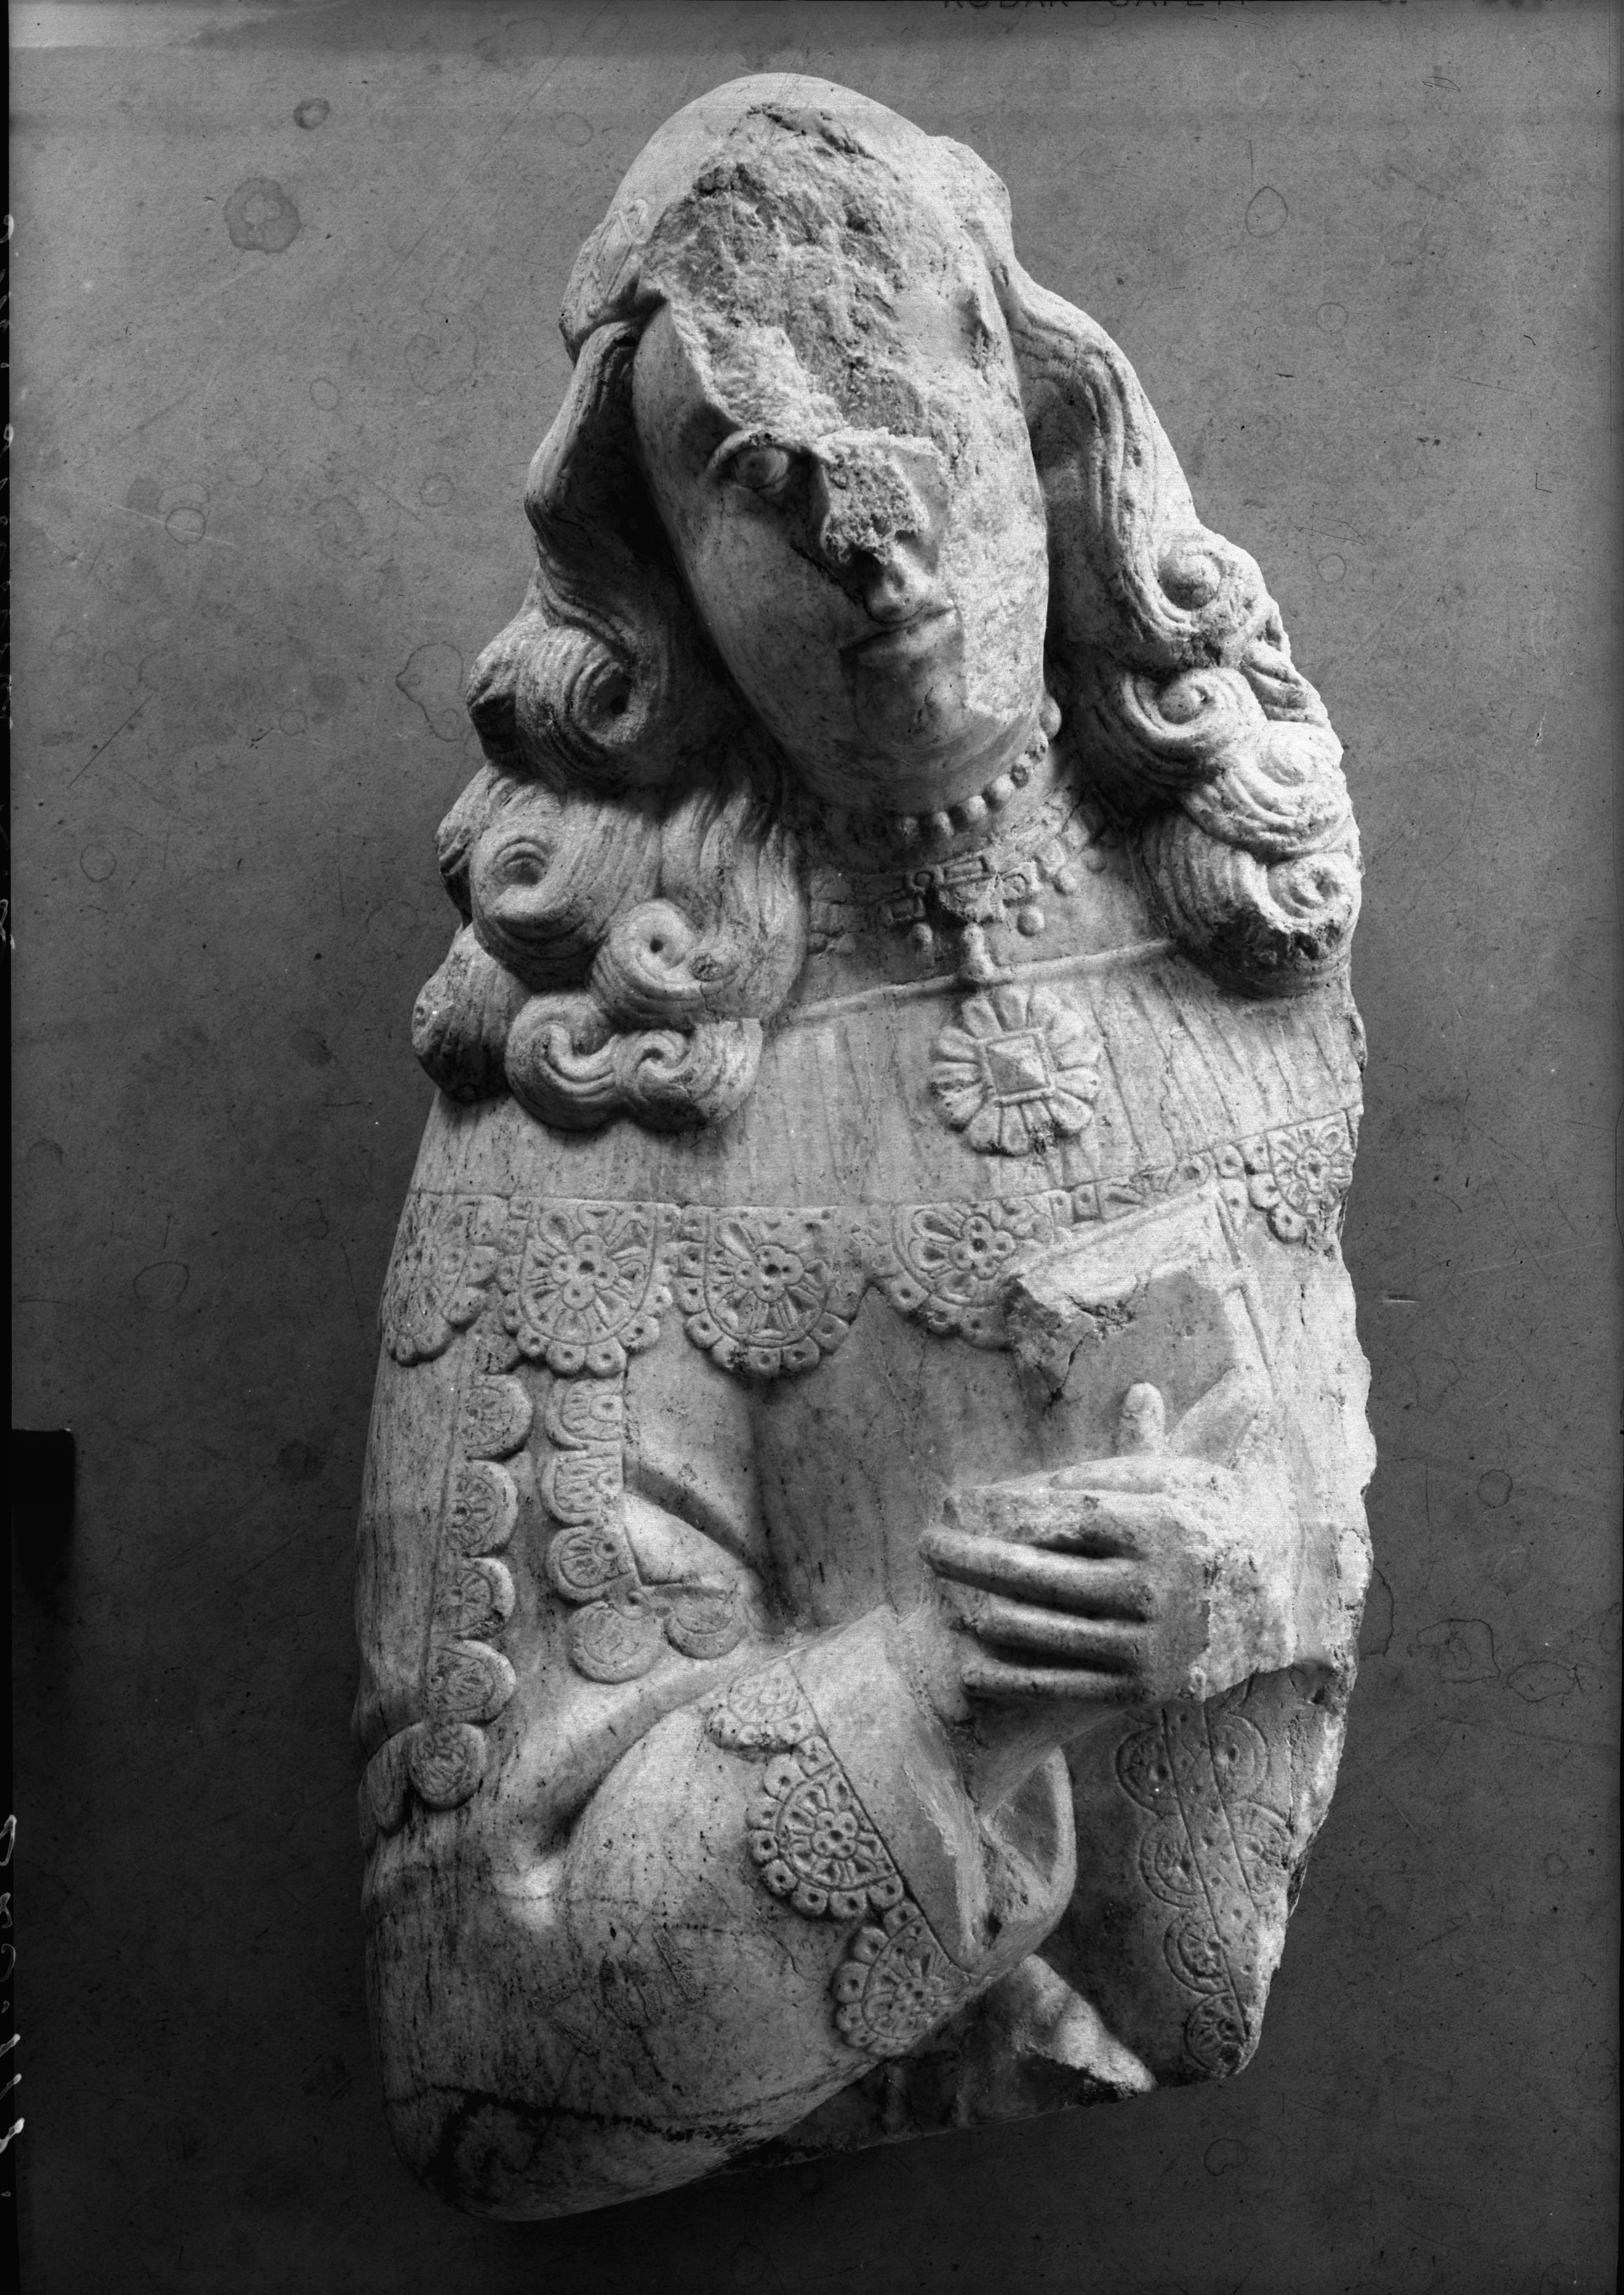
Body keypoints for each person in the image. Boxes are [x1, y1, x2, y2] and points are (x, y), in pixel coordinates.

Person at [357, 77, 1374, 2221]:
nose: (862, 531)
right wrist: (961, 1681)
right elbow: (490, 2025)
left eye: (901, 394)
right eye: (751, 478)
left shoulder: (1236, 936)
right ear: (661, 586)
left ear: (1042, 411)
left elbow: (1293, 1534)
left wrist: (1252, 1575)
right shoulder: (596, 1085)